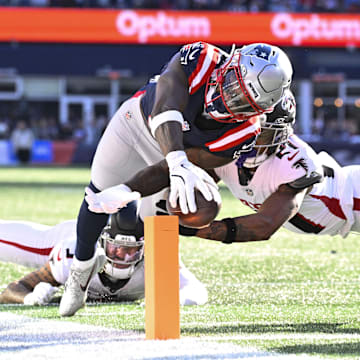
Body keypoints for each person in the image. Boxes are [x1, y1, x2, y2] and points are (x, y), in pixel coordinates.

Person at [60, 41, 293, 316]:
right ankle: (81, 269)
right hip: (135, 124)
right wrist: (176, 160)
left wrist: (128, 189)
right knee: (97, 196)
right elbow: (165, 104)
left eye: (242, 101)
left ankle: (161, 282)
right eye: (232, 83)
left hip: (172, 159)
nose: (229, 97)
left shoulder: (244, 133)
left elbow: (172, 168)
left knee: (191, 206)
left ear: (257, 111)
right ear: (230, 63)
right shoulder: (202, 57)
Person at [187, 90, 360, 243]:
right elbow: (196, 182)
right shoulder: (225, 152)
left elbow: (264, 225)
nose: (251, 140)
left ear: (281, 134)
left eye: (262, 133)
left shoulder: (295, 164)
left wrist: (189, 230)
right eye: (247, 129)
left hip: (352, 196)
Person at [0, 202, 208, 308]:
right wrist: (28, 298)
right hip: (55, 240)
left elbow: (196, 289)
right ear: (101, 241)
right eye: (115, 247)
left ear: (145, 247)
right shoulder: (74, 254)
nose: (122, 255)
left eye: (131, 249)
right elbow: (12, 290)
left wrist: (177, 300)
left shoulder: (156, 258)